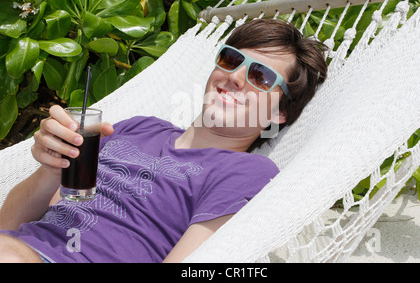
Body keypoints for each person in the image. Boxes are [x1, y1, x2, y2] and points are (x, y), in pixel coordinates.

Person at [0, 19, 328, 263]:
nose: (235, 77)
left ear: (279, 113)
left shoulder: (246, 172)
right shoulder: (137, 127)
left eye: (261, 76)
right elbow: (9, 225)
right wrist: (51, 169)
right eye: (231, 60)